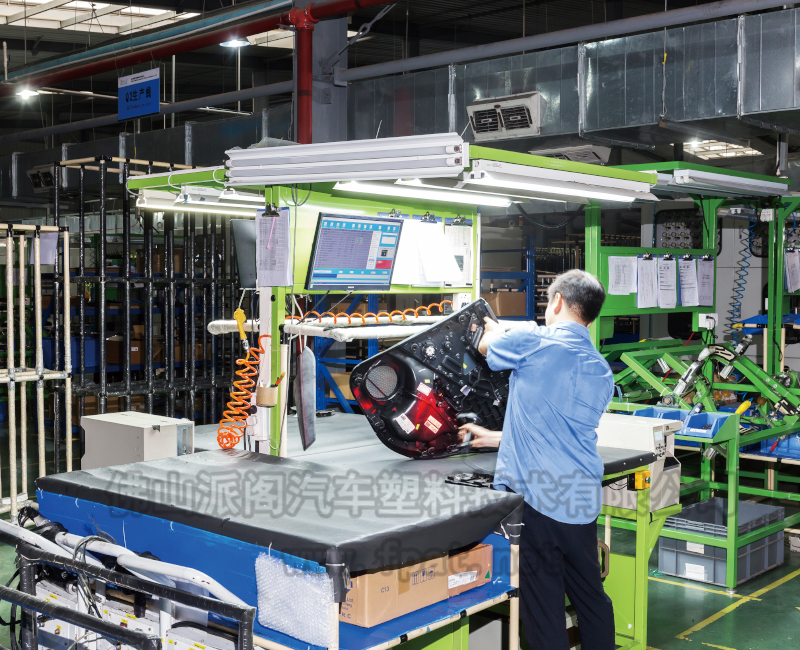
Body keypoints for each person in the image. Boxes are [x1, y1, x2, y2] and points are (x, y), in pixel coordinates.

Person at [461, 269, 615, 650]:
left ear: (558, 301)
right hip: (581, 501)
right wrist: (499, 438)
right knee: (591, 599)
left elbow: (483, 344)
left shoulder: (535, 341)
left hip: (539, 504)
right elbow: (560, 424)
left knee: (544, 611)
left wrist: (490, 327)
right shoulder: (602, 370)